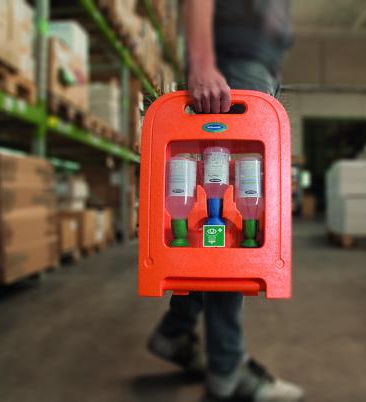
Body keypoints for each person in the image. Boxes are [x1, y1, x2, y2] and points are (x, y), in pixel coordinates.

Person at [148, 1, 303, 401]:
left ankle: (176, 330)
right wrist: (203, 63)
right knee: (228, 232)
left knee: (223, 225)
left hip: (255, 68)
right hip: (232, 65)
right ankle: (227, 369)